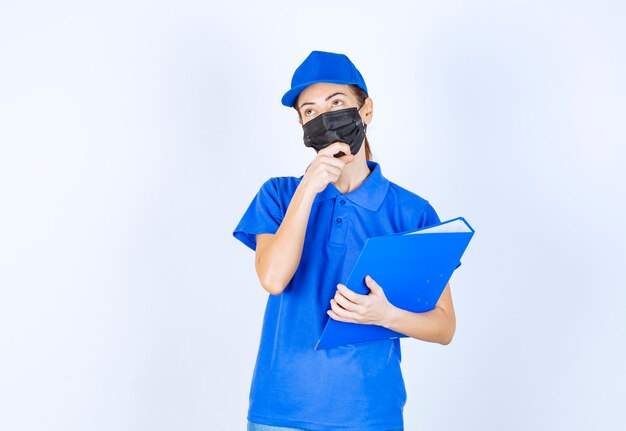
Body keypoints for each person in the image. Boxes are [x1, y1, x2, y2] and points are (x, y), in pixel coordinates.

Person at [232, 50, 456, 431]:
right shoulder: (279, 195)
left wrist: (387, 316)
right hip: (281, 412)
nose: (325, 118)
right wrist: (308, 189)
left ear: (366, 110)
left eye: (337, 103)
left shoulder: (411, 212)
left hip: (368, 414)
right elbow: (273, 278)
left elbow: (444, 326)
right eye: (310, 111)